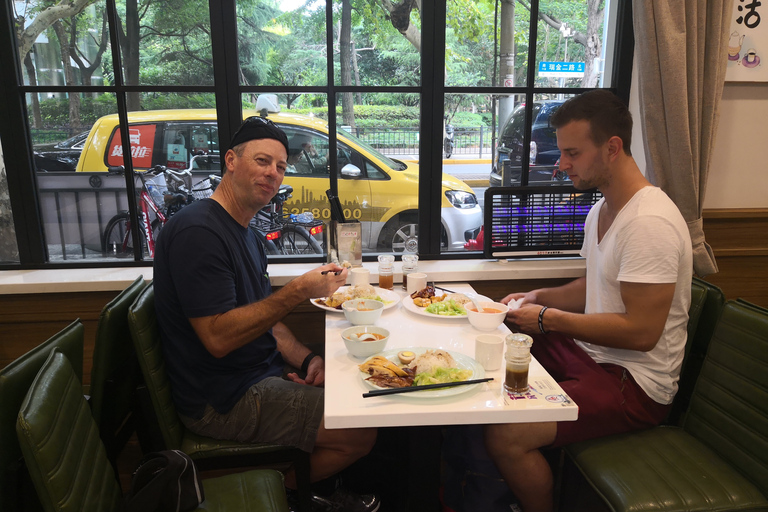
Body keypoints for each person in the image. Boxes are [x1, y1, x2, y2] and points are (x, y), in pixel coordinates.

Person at [153, 116, 380, 512]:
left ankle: (305, 487)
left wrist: (309, 360)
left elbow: (265, 320)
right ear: (231, 161)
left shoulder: (248, 233)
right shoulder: (197, 232)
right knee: (361, 429)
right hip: (221, 400)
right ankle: (284, 493)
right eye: (262, 161)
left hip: (255, 374)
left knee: (356, 385)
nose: (272, 173)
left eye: (280, 166)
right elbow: (219, 338)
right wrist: (296, 292)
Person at [484, 90, 693, 512]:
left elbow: (642, 333)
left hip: (634, 385)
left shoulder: (649, 222)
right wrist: (537, 297)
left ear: (612, 148)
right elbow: (591, 286)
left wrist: (548, 319)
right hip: (592, 356)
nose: (562, 164)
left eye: (572, 153)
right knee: (499, 332)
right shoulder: (603, 209)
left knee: (506, 434)